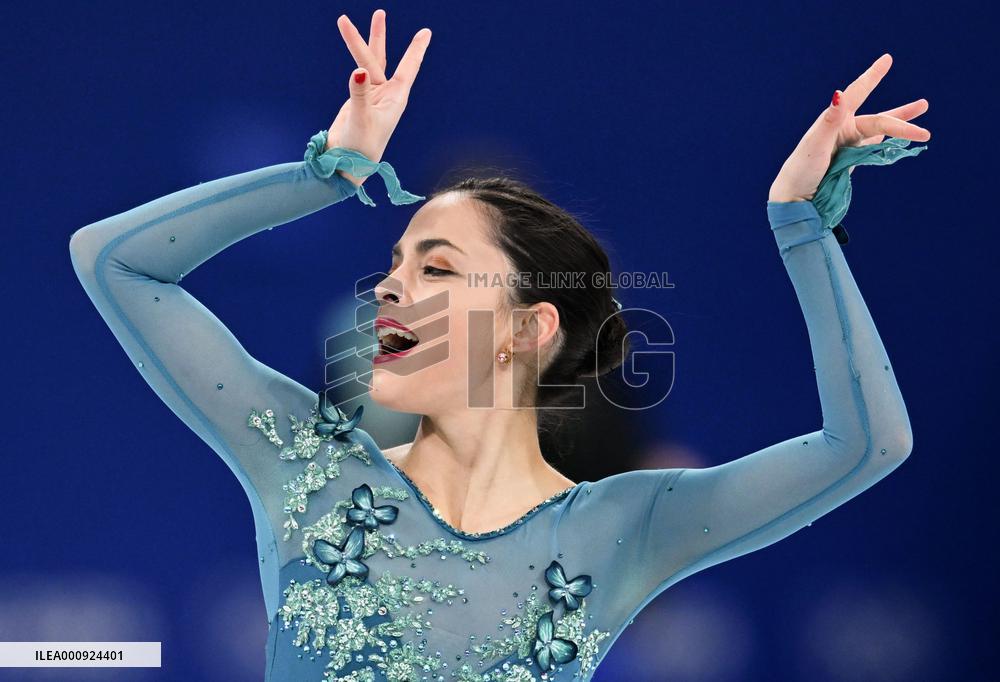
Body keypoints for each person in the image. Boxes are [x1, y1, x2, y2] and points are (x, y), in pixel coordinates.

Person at [68, 10, 930, 681]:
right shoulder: (309, 470)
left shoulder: (625, 526)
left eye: (436, 268)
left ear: (528, 327)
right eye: (392, 263)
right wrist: (326, 171)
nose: (390, 287)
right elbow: (114, 263)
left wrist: (801, 228)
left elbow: (868, 445)